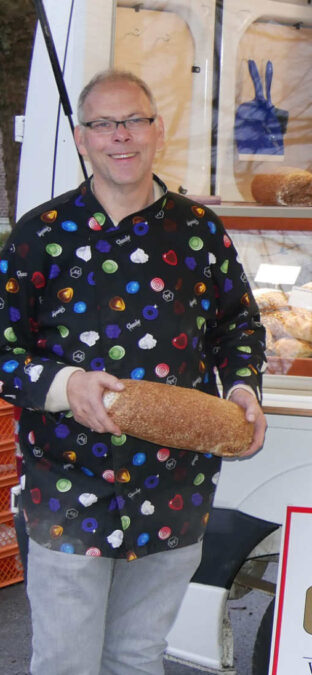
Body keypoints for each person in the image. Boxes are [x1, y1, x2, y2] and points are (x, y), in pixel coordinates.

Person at [4, 70, 267, 674]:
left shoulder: (199, 231)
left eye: (134, 121)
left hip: (174, 485)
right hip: (67, 486)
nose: (120, 136)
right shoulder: (40, 235)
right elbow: (4, 349)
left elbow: (238, 325)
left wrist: (242, 388)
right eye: (103, 124)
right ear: (81, 139)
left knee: (138, 657)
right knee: (66, 662)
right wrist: (65, 386)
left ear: (158, 130)